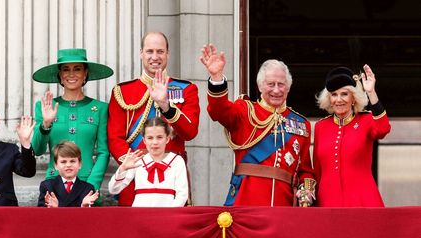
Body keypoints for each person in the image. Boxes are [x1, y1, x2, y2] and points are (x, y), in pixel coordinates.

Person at [200, 44, 315, 207]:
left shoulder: (301, 124)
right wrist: (217, 78)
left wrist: (306, 194)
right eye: (271, 84)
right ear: (260, 86)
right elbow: (219, 110)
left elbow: (305, 170)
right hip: (247, 201)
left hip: (285, 205)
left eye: (281, 84)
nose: (276, 90)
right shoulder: (245, 111)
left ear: (288, 87)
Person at [107, 32, 200, 206]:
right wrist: (135, 165)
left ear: (168, 54)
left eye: (160, 51)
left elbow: (190, 132)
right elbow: (114, 137)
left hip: (172, 172)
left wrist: (166, 106)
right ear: (141, 53)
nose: (155, 57)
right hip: (134, 176)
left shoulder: (186, 89)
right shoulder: (122, 91)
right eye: (150, 51)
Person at [32, 48, 113, 204]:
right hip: (54, 186)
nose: (71, 74)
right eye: (66, 69)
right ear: (60, 76)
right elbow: (38, 149)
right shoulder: (45, 106)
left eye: (77, 69)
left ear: (85, 74)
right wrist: (46, 123)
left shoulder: (100, 108)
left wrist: (91, 186)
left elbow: (103, 152)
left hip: (88, 186)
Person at [313, 65, 391, 207]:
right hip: (328, 202)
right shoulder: (320, 127)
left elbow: (383, 129)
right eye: (334, 94)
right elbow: (317, 171)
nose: (338, 99)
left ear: (353, 98)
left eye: (344, 94)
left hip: (362, 200)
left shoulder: (366, 120)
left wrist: (371, 92)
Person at [108, 117, 188, 207]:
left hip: (167, 216)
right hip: (140, 216)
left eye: (159, 137)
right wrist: (123, 168)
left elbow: (182, 195)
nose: (155, 142)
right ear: (144, 140)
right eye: (150, 138)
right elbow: (113, 189)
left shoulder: (177, 161)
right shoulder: (138, 160)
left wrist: (169, 216)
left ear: (167, 139)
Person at [38, 141, 99, 207]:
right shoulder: (47, 186)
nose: (68, 165)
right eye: (63, 162)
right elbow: (41, 214)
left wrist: (84, 207)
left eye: (72, 161)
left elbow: (92, 216)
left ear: (80, 164)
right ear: (56, 165)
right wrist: (53, 209)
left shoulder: (88, 189)